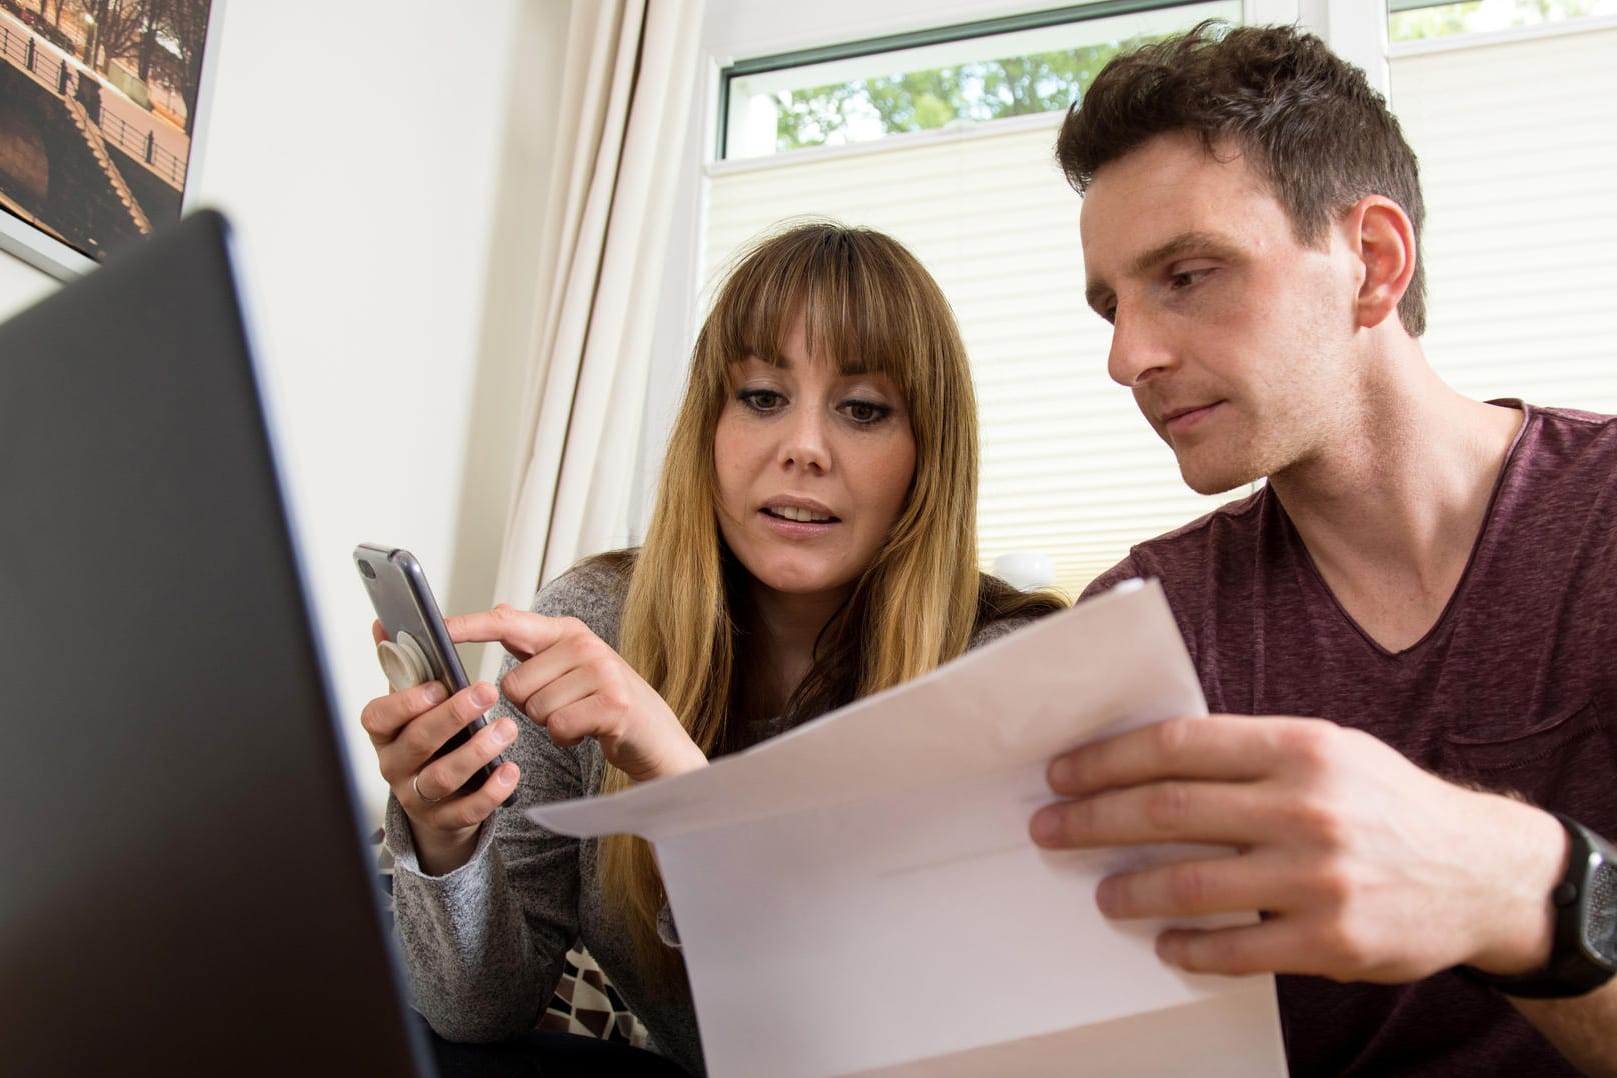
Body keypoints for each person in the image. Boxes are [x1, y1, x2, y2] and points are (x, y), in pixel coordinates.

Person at [1026, 20, 1617, 1076]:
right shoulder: (1151, 623)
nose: (1127, 355)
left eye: (1190, 274)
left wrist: (1525, 892)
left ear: (1372, 262)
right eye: (1110, 304)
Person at [360, 220, 1066, 1077]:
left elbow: (872, 1041)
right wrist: (445, 836)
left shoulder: (1004, 665)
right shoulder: (598, 617)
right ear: (708, 427)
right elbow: (477, 1010)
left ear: (927, 455)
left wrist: (679, 789)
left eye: (864, 409)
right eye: (762, 397)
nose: (802, 448)